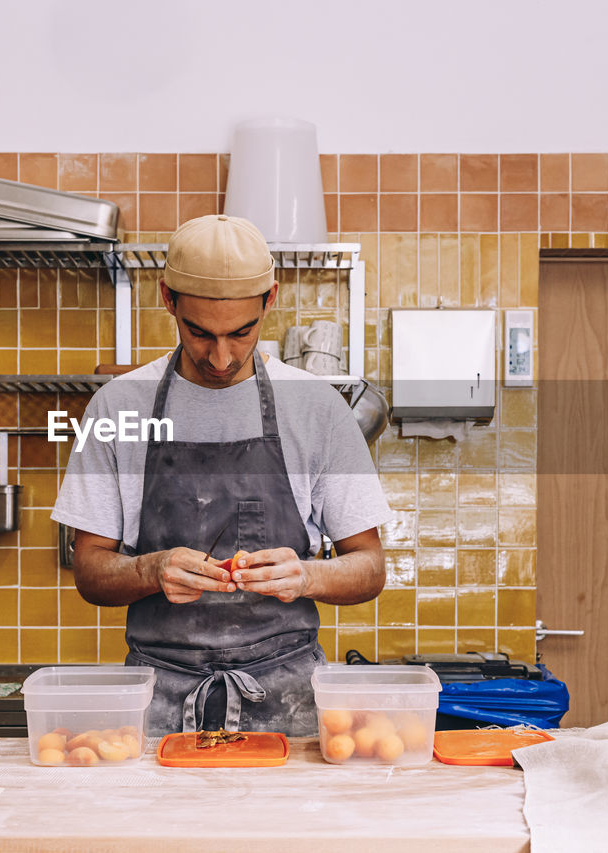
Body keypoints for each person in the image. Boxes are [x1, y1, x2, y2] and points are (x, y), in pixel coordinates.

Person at [50, 214, 391, 737]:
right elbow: (90, 571)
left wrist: (308, 575)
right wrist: (150, 570)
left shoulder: (317, 409)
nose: (222, 357)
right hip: (157, 706)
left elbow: (369, 568)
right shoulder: (116, 407)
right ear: (168, 299)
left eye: (242, 332)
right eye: (199, 333)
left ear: (270, 299)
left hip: (289, 705)